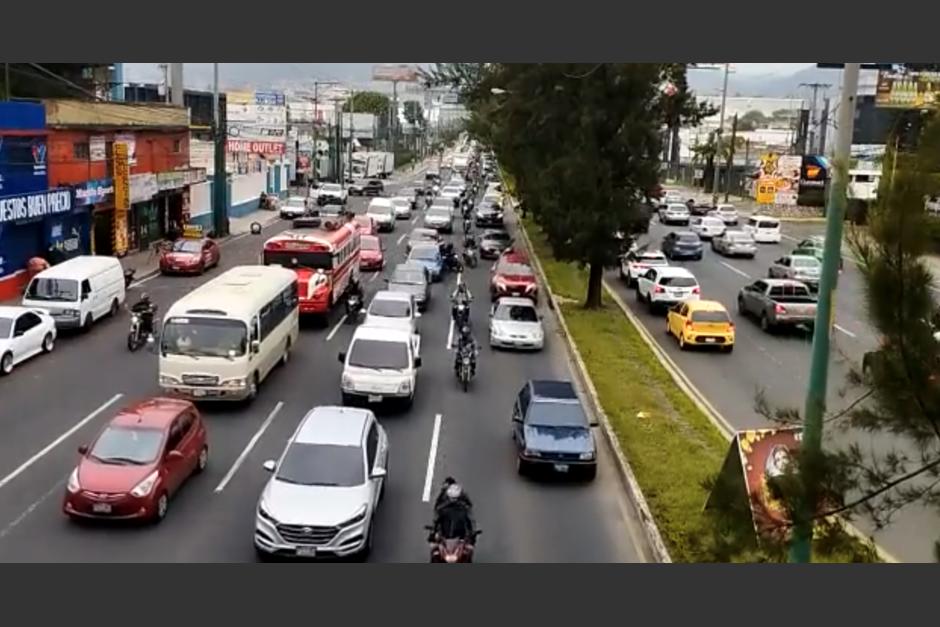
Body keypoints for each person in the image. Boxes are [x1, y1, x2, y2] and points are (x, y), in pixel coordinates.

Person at [429, 477, 475, 542]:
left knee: (469, 547)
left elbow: (470, 520)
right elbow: (436, 519)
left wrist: (471, 534)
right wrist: (433, 533)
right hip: (445, 537)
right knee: (434, 547)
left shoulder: (464, 508)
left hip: (460, 539)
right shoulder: (442, 508)